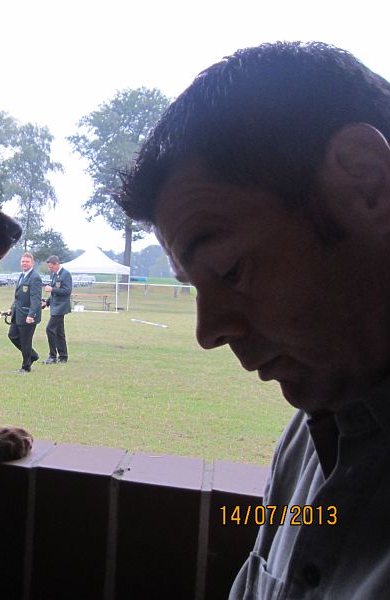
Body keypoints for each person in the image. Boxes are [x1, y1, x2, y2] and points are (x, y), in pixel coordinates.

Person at [118, 41, 390, 599]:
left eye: (231, 270)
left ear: (367, 183)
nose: (208, 332)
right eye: (195, 287)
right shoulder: (312, 435)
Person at [7, 252, 42, 373]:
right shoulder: (21, 276)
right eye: (23, 261)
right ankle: (33, 355)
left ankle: (26, 367)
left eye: (27, 261)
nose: (24, 264)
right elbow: (18, 297)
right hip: (18, 313)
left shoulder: (35, 277)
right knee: (12, 335)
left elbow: (36, 299)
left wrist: (31, 315)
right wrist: (11, 308)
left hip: (28, 315)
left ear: (32, 263)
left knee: (26, 341)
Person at [42, 255, 72, 364]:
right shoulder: (55, 275)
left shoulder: (66, 274)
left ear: (57, 264)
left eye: (51, 267)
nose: (50, 269)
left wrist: (52, 289)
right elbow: (54, 293)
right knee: (59, 332)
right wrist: (47, 302)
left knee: (49, 329)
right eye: (49, 267)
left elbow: (67, 291)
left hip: (61, 307)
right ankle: (63, 356)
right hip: (55, 307)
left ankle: (52, 356)